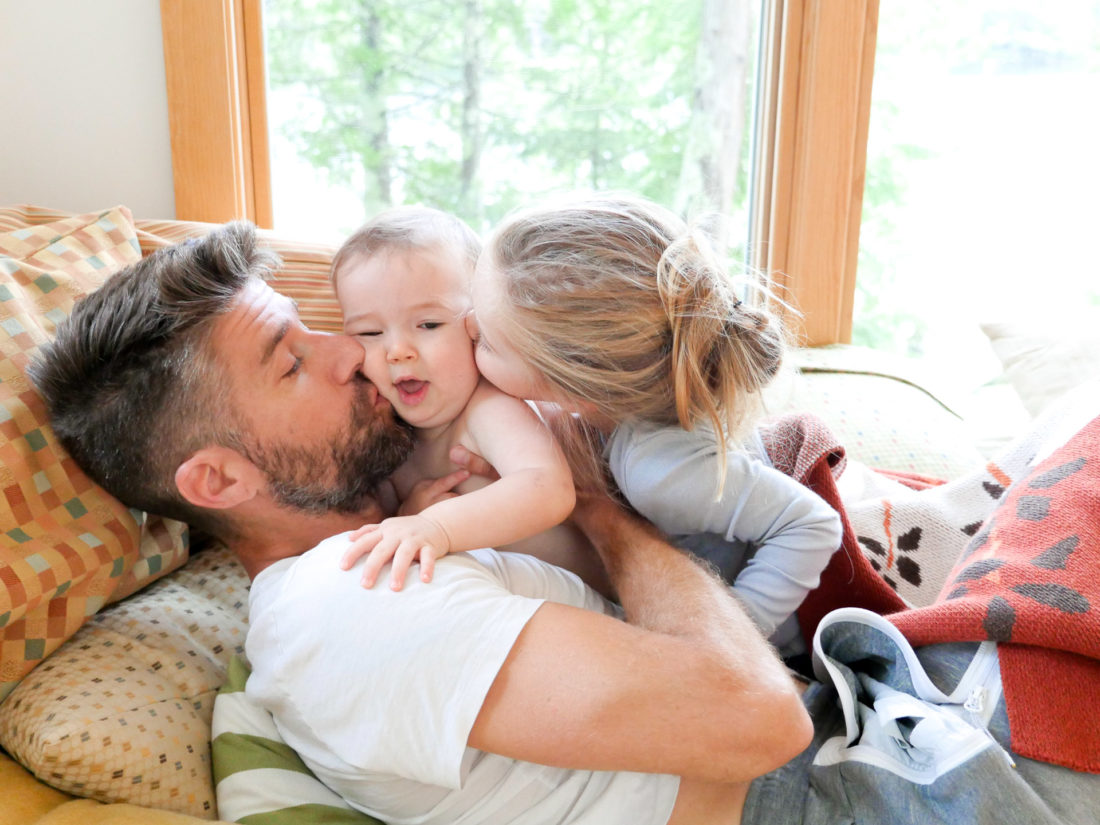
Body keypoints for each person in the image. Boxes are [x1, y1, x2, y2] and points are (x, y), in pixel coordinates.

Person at [30, 223, 1099, 825]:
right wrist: (594, 505)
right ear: (215, 477)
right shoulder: (345, 606)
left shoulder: (413, 519)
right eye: (291, 361)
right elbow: (755, 724)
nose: (353, 354)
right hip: (862, 792)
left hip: (884, 732)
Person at [469, 192, 841, 657]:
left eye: (485, 339)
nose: (465, 327)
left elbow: (811, 524)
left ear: (573, 383)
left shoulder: (663, 471)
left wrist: (733, 638)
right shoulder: (646, 380)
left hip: (785, 644)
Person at [328, 206, 589, 591]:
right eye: (369, 333)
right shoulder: (390, 437)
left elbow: (549, 489)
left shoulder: (488, 407)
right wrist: (409, 515)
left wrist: (436, 527)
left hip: (599, 593)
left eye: (429, 324)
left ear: (477, 323)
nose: (397, 350)